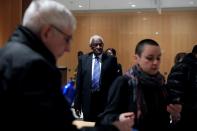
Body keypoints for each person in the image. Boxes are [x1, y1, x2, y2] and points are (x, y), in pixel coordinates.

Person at [0, 0, 134, 130]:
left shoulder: (6, 53)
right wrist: (114, 128)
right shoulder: (35, 66)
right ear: (47, 32)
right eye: (67, 39)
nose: (68, 48)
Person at [97, 39, 170, 131]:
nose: (155, 62)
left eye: (158, 58)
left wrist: (175, 115)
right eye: (150, 58)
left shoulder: (161, 83)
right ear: (136, 58)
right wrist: (118, 119)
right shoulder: (123, 82)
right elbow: (104, 119)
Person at [74, 35, 120, 122]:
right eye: (96, 45)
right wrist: (77, 104)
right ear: (91, 46)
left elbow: (115, 83)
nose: (99, 47)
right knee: (88, 125)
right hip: (88, 100)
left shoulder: (111, 60)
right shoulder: (83, 59)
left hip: (104, 101)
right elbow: (79, 83)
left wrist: (115, 104)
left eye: (100, 44)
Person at [166, 44, 197, 130]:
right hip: (186, 114)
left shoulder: (192, 66)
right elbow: (174, 91)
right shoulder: (184, 66)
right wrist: (177, 111)